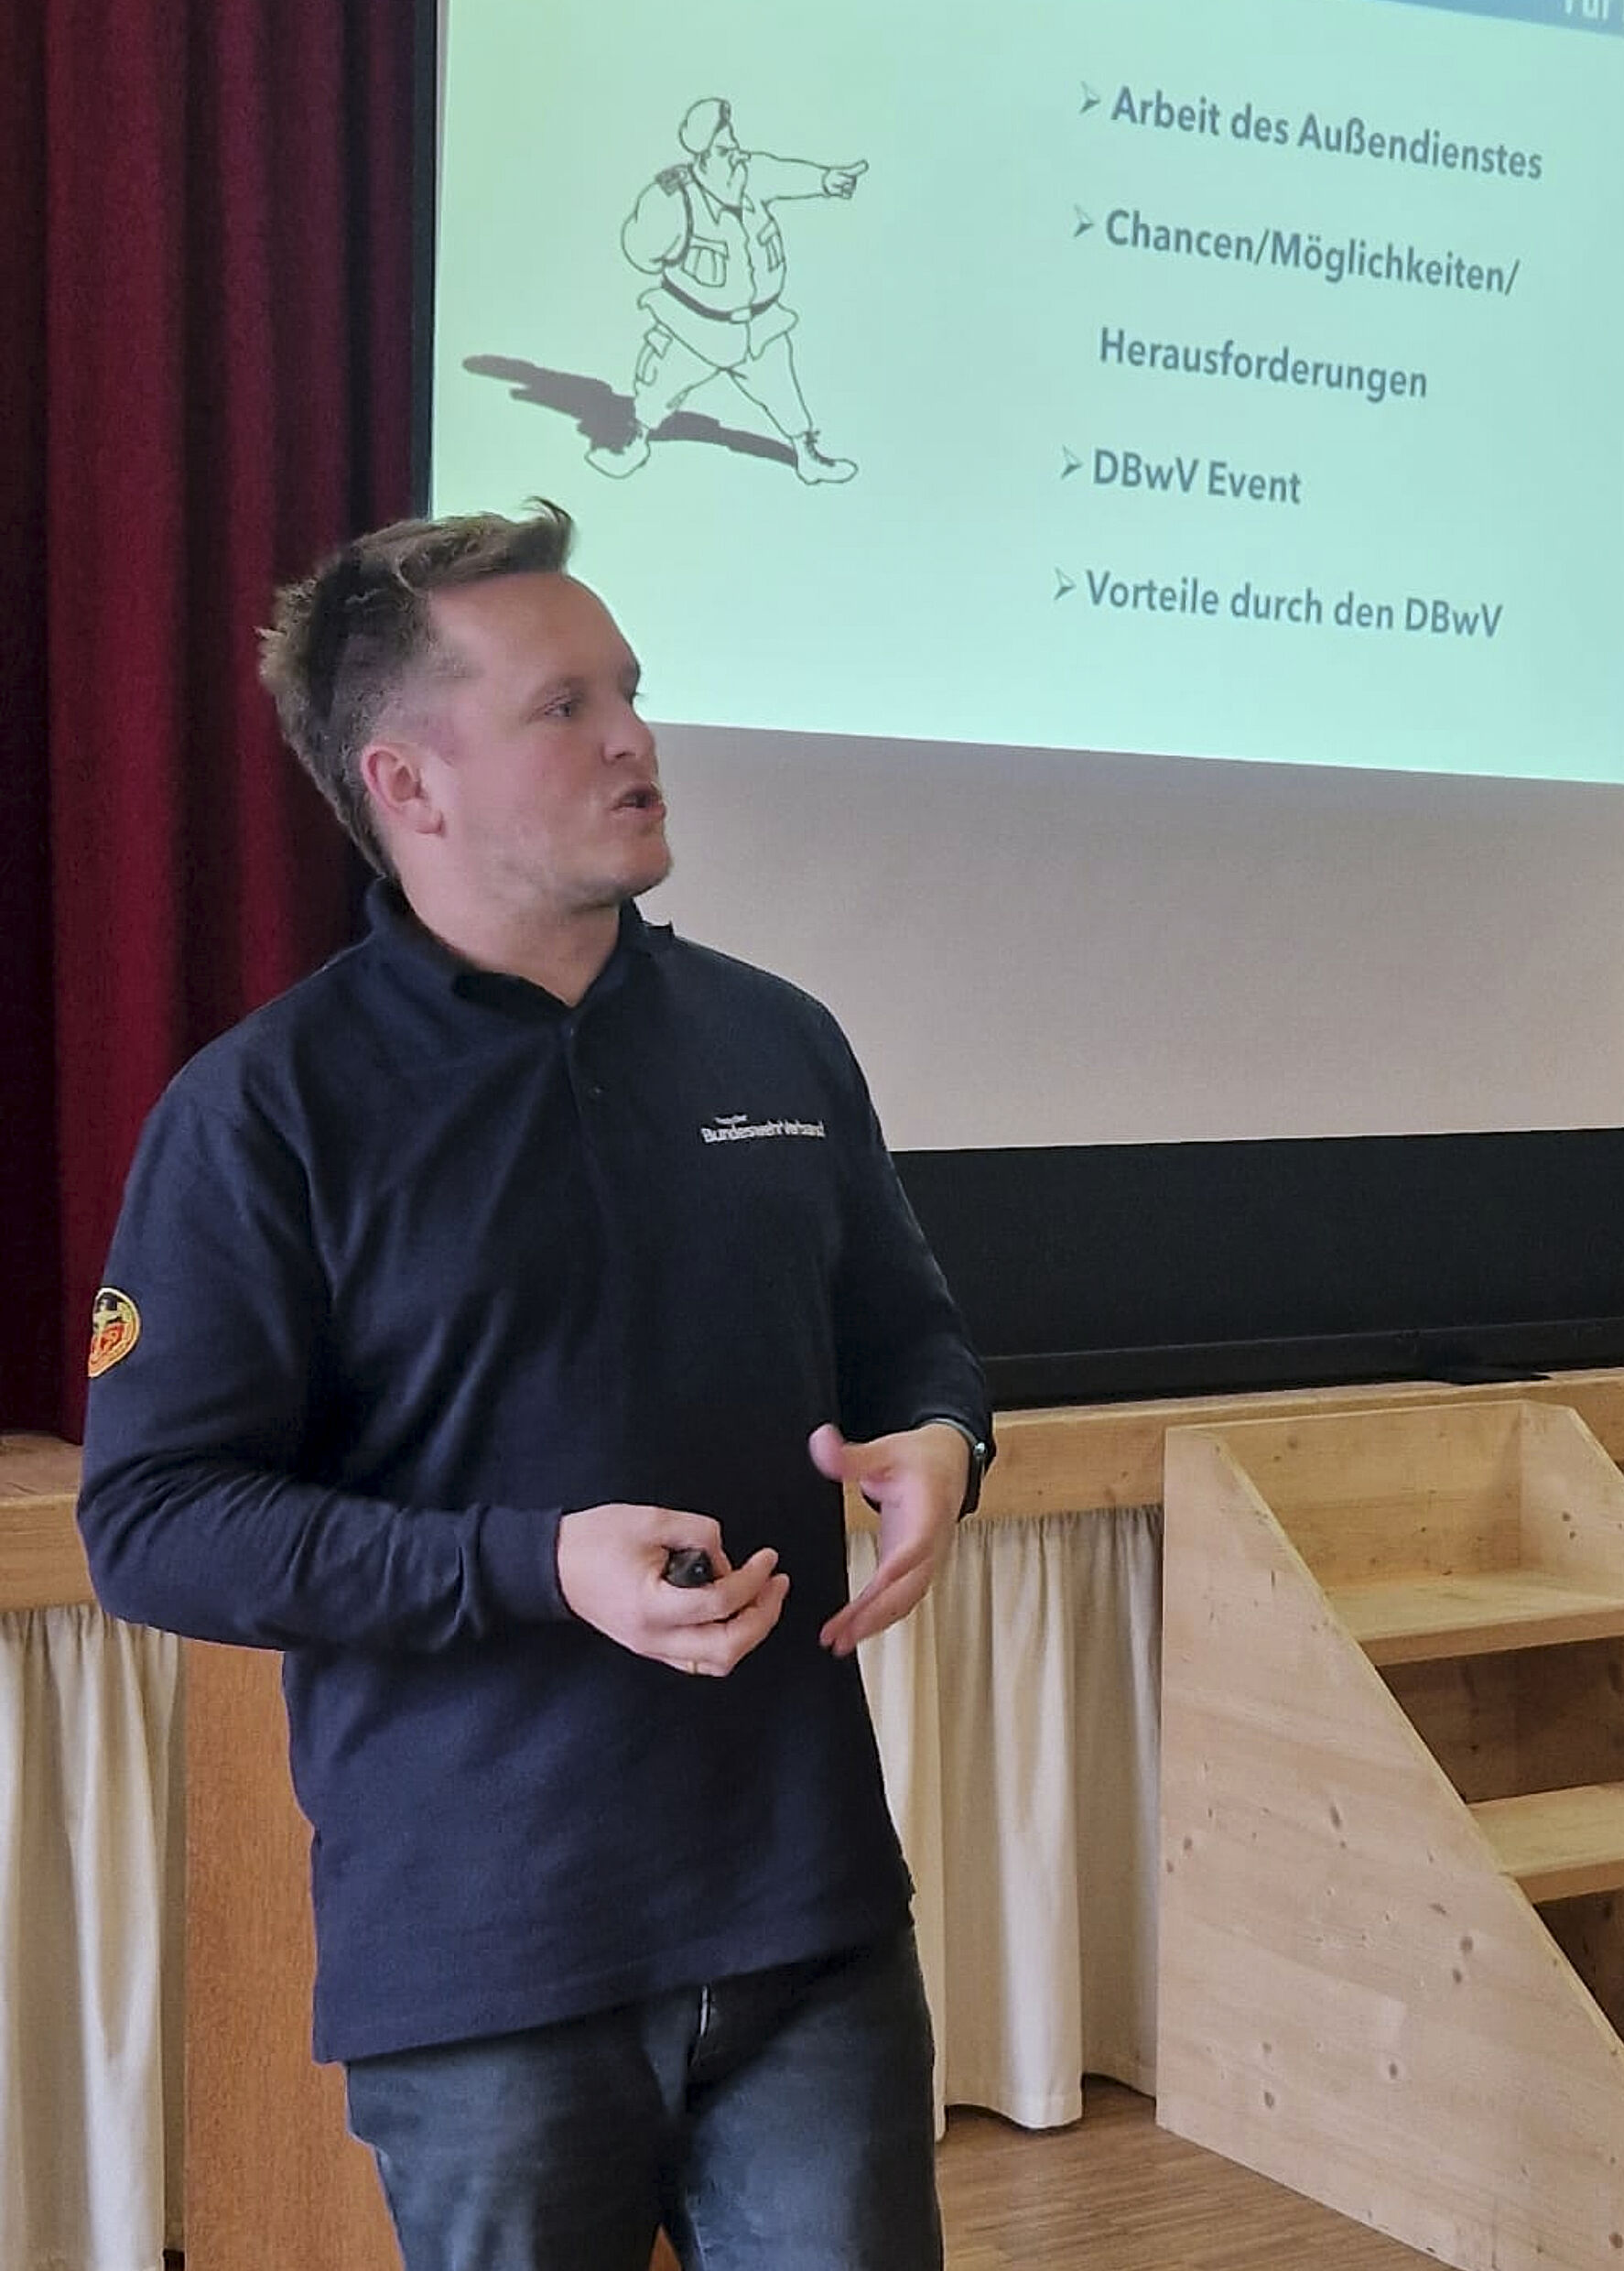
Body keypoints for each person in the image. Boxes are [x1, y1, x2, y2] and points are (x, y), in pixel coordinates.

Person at [75, 502, 992, 2271]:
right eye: (566, 707)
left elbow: (912, 1341)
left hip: (808, 1922)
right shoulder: (265, 1113)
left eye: (628, 690)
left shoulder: (778, 1037)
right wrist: (533, 1564)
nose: (636, 737)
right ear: (407, 784)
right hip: (488, 1971)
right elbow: (153, 1524)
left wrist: (946, 1444)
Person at [588, 97, 866, 484]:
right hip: (696, 327)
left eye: (733, 144)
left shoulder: (750, 174)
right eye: (723, 149)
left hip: (759, 326)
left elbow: (787, 174)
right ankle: (632, 445)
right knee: (658, 386)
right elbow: (640, 250)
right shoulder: (674, 197)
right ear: (702, 156)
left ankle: (808, 456)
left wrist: (826, 181)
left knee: (784, 392)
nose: (734, 154)